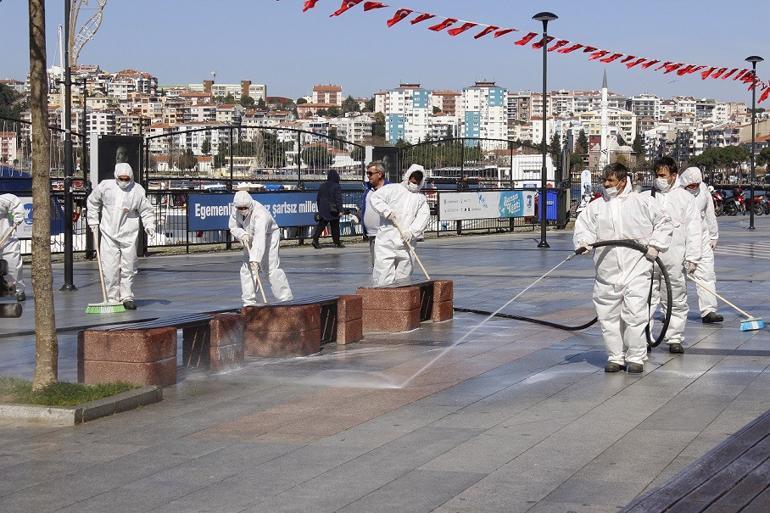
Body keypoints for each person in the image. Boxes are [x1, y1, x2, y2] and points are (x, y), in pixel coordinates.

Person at [574, 162, 673, 373]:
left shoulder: (641, 202)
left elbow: (664, 222)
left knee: (635, 314)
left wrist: (655, 245)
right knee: (608, 317)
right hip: (606, 272)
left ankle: (636, 356)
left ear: (622, 181)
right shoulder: (596, 207)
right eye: (604, 180)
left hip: (636, 268)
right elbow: (584, 228)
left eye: (610, 180)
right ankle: (615, 356)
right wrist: (583, 242)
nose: (606, 184)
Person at [643, 157, 702, 354]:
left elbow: (694, 229)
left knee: (675, 298)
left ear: (673, 176)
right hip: (649, 257)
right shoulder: (647, 197)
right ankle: (644, 337)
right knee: (646, 297)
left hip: (675, 257)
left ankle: (674, 337)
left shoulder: (685, 199)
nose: (658, 179)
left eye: (662, 175)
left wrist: (693, 257)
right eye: (656, 175)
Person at [86, 163, 155, 310]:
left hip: (129, 234)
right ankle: (112, 297)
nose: (124, 181)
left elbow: (146, 210)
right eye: (121, 178)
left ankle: (127, 296)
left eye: (127, 178)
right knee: (109, 267)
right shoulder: (106, 187)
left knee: (129, 266)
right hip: (108, 233)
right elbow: (92, 202)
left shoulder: (137, 190)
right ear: (116, 177)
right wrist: (92, 220)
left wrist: (149, 225)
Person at [368, 164, 431, 286]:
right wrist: (386, 211)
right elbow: (376, 198)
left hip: (406, 243)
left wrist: (412, 232)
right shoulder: (393, 189)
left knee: (404, 276)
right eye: (413, 178)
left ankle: (401, 302)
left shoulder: (421, 199)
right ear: (408, 176)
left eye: (417, 179)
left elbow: (423, 218)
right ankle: (382, 299)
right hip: (387, 240)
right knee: (383, 274)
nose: (414, 181)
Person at [229, 190, 293, 306]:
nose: (242, 210)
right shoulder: (236, 209)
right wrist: (241, 234)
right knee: (247, 269)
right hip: (248, 237)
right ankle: (249, 302)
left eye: (245, 208)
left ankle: (285, 299)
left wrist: (255, 258)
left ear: (250, 204)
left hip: (268, 236)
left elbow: (259, 237)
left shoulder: (260, 214)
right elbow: (233, 227)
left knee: (270, 268)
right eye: (240, 208)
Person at [679, 166, 723, 323]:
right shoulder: (675, 193)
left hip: (702, 238)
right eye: (691, 185)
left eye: (697, 184)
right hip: (681, 239)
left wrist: (713, 235)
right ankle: (671, 311)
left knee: (707, 274)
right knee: (676, 277)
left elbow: (710, 213)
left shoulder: (703, 190)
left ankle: (709, 310)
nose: (694, 188)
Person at [360, 161, 389, 267]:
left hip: (385, 234)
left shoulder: (389, 189)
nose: (368, 176)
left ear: (380, 174)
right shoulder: (368, 190)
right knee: (375, 265)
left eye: (370, 173)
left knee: (385, 265)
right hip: (372, 234)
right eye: (367, 173)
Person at [0, 193, 26, 301]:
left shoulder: (1, 200)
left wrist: (18, 217)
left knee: (13, 265)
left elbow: (13, 201)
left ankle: (18, 290)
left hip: (7, 239)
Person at [311, 170, 344, 249]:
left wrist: (320, 208)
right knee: (335, 226)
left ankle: (315, 239)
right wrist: (341, 210)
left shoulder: (322, 185)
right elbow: (338, 199)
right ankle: (337, 242)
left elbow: (318, 199)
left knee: (321, 225)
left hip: (323, 208)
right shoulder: (336, 186)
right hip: (333, 209)